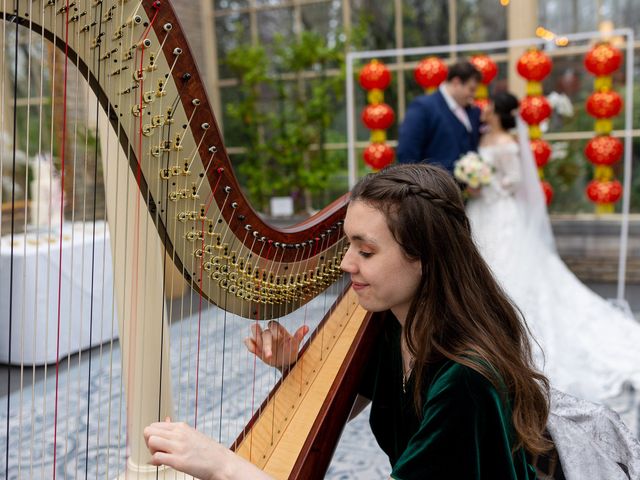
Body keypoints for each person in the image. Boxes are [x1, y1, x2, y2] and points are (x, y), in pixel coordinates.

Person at [145, 164, 551, 479]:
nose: (344, 263)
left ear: (424, 257)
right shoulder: (395, 323)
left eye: (367, 251)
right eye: (347, 243)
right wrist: (294, 366)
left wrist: (221, 463)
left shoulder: (465, 379)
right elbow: (348, 401)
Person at [466, 92, 640, 405]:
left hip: (499, 211)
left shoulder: (506, 141)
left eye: (490, 105)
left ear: (499, 111)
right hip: (480, 210)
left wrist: (484, 180)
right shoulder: (484, 136)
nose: (485, 108)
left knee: (507, 272)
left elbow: (515, 180)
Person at [396, 61, 482, 173]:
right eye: (471, 89)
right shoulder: (423, 107)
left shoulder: (472, 111)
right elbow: (407, 150)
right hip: (434, 186)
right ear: (456, 82)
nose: (473, 95)